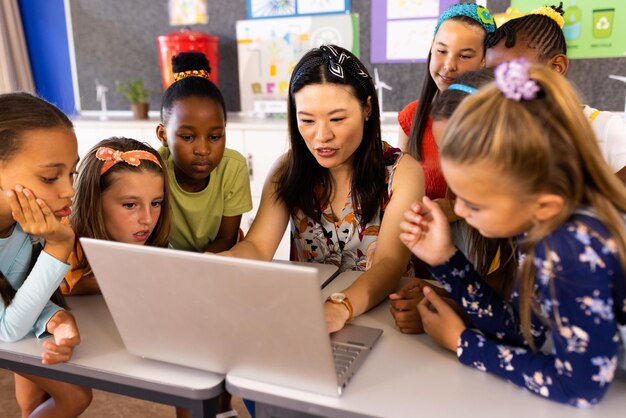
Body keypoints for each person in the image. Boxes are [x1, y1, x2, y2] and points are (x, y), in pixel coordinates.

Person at [400, 59, 626, 406]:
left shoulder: (572, 249)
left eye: (474, 204)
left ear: (543, 203)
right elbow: (525, 332)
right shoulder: (542, 222)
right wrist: (445, 258)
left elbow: (580, 388)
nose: (458, 210)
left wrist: (464, 344)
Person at [224, 44, 424, 333]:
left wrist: (339, 307)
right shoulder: (287, 170)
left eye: (337, 119)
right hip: (306, 318)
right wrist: (219, 264)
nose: (322, 136)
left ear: (367, 108)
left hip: (383, 318)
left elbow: (389, 263)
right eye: (306, 120)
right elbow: (257, 246)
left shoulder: (402, 173)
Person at [390, 68, 517, 334]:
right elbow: (513, 321)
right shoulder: (516, 224)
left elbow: (569, 372)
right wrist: (442, 275)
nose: (456, 206)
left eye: (461, 155)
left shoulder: (567, 237)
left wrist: (462, 342)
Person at [0, 92, 92, 416]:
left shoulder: (25, 223)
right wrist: (58, 247)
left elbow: (16, 293)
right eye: (50, 177)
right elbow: (8, 328)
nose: (68, 190)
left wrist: (57, 319)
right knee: (76, 395)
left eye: (72, 173)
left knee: (37, 401)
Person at [485, 3, 626, 184]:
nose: (501, 84)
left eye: (513, 71)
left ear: (557, 67)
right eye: (492, 75)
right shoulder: (498, 135)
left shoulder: (603, 128)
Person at [398, 2, 496, 200]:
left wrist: (451, 211)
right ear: (431, 48)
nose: (449, 65)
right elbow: (398, 189)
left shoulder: (496, 118)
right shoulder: (411, 116)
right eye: (441, 51)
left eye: (465, 55)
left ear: (485, 59)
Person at [157, 51, 252, 253]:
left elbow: (227, 237)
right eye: (187, 137)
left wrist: (197, 271)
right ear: (163, 135)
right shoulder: (153, 170)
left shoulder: (233, 167)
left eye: (215, 137)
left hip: (220, 260)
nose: (203, 150)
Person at [61, 137, 171, 295]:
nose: (148, 219)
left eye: (156, 203)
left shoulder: (152, 250)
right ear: (93, 202)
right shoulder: (60, 244)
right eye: (130, 205)